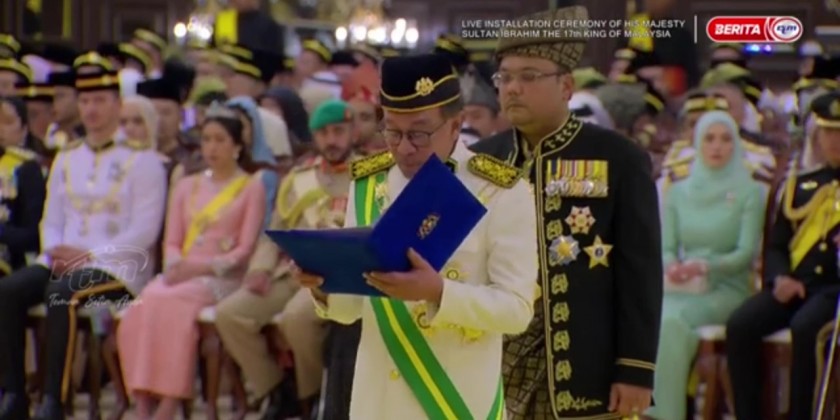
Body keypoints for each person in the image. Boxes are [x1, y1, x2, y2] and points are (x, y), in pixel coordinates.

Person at [295, 53, 538, 419]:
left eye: (419, 133)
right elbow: (351, 310)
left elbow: (517, 310)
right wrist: (322, 283)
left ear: (455, 124)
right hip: (378, 402)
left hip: (455, 398)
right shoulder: (368, 185)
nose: (404, 147)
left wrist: (438, 292)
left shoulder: (499, 191)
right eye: (393, 131)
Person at [470, 6, 662, 419]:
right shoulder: (480, 161)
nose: (513, 89)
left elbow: (641, 272)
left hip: (584, 366)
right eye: (505, 77)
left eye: (529, 76)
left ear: (567, 86)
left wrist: (636, 369)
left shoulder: (618, 158)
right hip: (492, 362)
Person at [0, 62, 167, 419]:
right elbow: (52, 219)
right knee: (9, 290)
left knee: (62, 293)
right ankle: (14, 394)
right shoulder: (67, 157)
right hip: (63, 260)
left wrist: (89, 255)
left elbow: (143, 232)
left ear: (118, 105)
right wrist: (54, 251)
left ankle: (54, 400)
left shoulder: (143, 161)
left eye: (101, 101)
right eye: (86, 101)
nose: (92, 109)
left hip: (118, 267)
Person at [117, 103, 267, 420]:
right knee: (144, 303)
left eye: (220, 140)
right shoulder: (187, 185)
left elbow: (245, 249)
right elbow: (172, 240)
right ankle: (142, 400)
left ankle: (170, 400)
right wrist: (174, 265)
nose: (211, 148)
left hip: (221, 276)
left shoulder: (250, 188)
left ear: (237, 147)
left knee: (173, 303)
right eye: (207, 139)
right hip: (181, 273)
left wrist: (197, 269)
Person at [215, 99, 358, 418]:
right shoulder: (298, 178)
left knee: (297, 319)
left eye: (338, 131)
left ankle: (314, 396)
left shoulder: (367, 176)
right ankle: (276, 389)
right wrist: (260, 269)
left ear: (352, 132)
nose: (332, 140)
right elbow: (274, 231)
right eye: (324, 133)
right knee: (230, 314)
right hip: (291, 271)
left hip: (334, 276)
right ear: (314, 137)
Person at [726, 91, 840, 420]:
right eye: (828, 132)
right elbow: (777, 245)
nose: (835, 140)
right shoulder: (799, 185)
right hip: (796, 285)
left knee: (806, 329)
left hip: (833, 290)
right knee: (741, 325)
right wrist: (779, 278)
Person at [648, 111, 765, 419]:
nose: (717, 146)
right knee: (647, 314)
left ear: (736, 145)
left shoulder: (750, 192)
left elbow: (745, 254)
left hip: (727, 288)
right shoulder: (678, 192)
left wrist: (705, 266)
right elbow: (667, 249)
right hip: (681, 286)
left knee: (671, 321)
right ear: (698, 143)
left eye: (726, 139)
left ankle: (666, 414)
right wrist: (673, 266)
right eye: (709, 139)